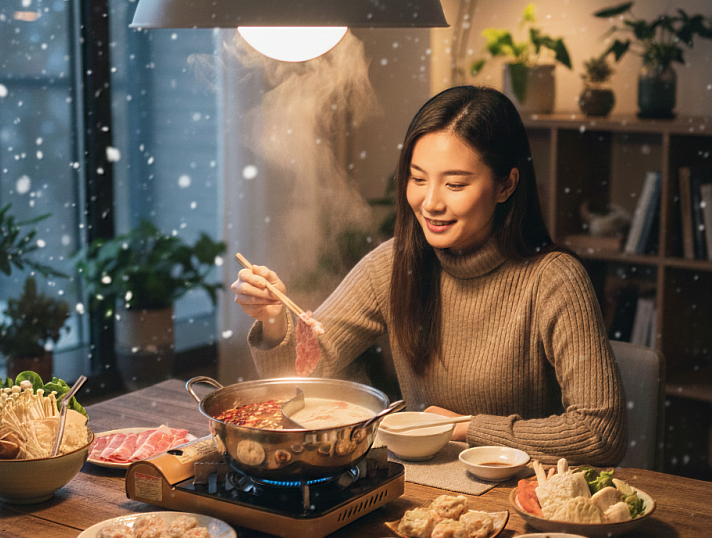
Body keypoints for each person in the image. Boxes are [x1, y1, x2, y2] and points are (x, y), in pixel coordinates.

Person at [232, 86, 627, 466]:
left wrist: (467, 428)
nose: (431, 202)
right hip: (423, 486)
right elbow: (302, 377)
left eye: (455, 184)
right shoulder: (391, 264)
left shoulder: (554, 280)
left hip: (523, 494)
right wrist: (273, 320)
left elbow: (601, 434)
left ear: (506, 184)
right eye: (418, 179)